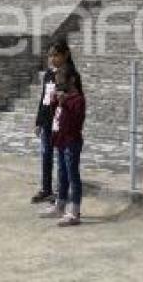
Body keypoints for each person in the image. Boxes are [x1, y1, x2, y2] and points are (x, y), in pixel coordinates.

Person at [31, 39, 80, 204]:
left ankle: (61, 193)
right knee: (46, 155)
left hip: (60, 124)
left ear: (65, 55)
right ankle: (46, 189)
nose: (53, 59)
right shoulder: (49, 74)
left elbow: (76, 102)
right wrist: (39, 121)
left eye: (56, 55)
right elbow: (43, 99)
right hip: (46, 122)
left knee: (61, 160)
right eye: (51, 55)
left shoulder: (71, 75)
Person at [38, 63, 86, 226]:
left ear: (71, 80)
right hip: (60, 141)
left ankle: (74, 211)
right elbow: (57, 118)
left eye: (61, 82)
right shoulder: (62, 98)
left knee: (73, 176)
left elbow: (75, 122)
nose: (58, 85)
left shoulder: (77, 100)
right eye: (57, 83)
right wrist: (53, 103)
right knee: (62, 175)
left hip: (71, 142)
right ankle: (60, 204)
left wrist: (63, 103)